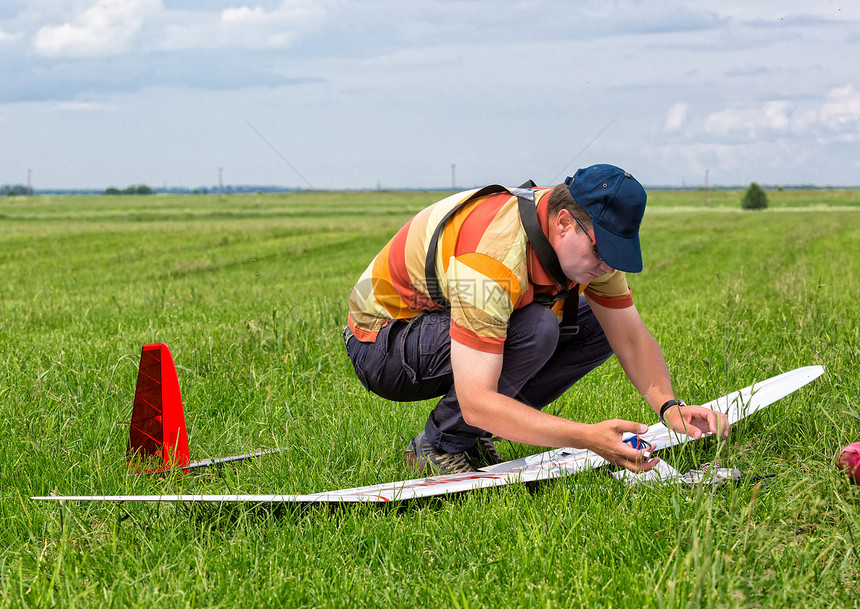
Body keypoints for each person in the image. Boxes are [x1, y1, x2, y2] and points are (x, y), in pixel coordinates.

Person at [343, 164, 729, 475]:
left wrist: (670, 407)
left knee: (597, 325)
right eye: (601, 251)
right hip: (381, 342)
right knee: (536, 328)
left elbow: (630, 338)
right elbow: (477, 401)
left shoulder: (587, 244)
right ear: (563, 223)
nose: (607, 266)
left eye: (616, 254)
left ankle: (474, 434)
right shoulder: (494, 258)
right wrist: (586, 437)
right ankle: (438, 446)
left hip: (438, 323)